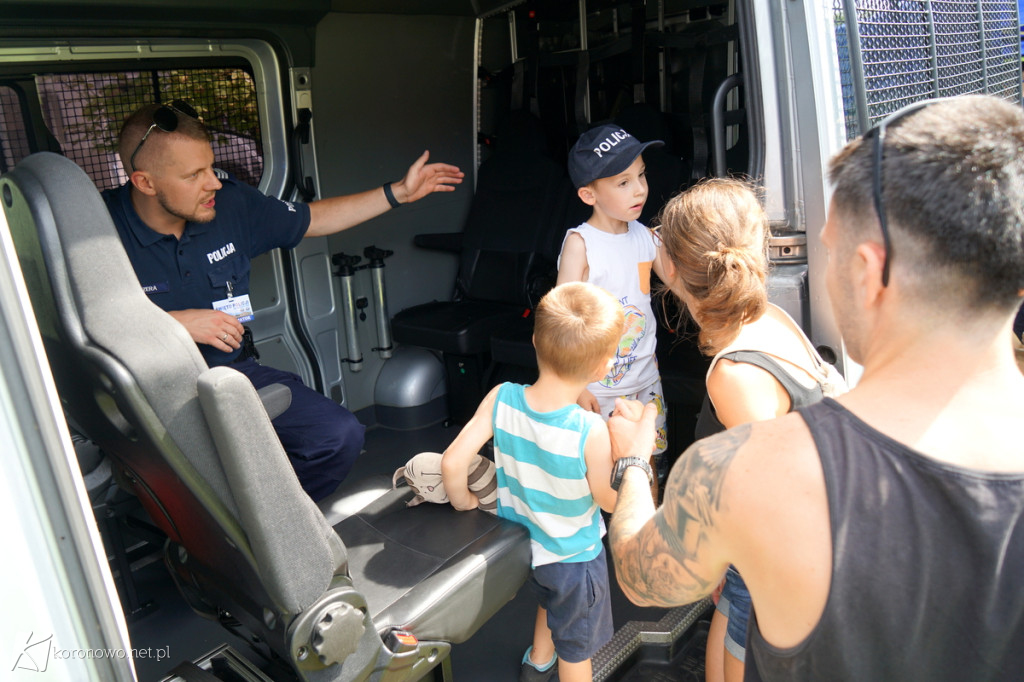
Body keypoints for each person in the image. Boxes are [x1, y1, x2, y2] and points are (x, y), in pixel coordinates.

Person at [606, 94, 1024, 681]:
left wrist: (629, 461)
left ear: (868, 270)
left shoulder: (746, 471)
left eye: (827, 250)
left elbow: (640, 576)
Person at [103, 101, 464, 501]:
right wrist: (174, 324)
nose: (214, 183)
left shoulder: (231, 205)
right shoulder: (98, 233)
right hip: (149, 393)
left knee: (337, 436)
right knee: (190, 475)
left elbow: (313, 219)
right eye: (194, 175)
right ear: (145, 182)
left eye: (211, 167)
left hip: (232, 375)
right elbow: (77, 327)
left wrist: (398, 193)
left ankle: (264, 533)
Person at [652, 177, 844, 682]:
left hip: (771, 557)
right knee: (725, 618)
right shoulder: (767, 316)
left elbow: (770, 501)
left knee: (739, 640)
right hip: (756, 552)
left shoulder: (736, 375)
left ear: (671, 266)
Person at [441, 281, 630, 682]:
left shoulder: (502, 398)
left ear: (534, 341)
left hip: (527, 547)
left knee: (549, 600)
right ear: (602, 368)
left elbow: (453, 462)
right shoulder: (590, 430)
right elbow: (611, 503)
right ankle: (558, 667)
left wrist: (465, 503)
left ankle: (538, 662)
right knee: (578, 647)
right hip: (574, 557)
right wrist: (631, 458)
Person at [557, 123, 670, 493]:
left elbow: (676, 280)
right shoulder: (582, 244)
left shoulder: (645, 235)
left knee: (647, 466)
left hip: (645, 381)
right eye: (623, 182)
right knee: (605, 474)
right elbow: (562, 323)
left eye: (641, 175)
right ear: (589, 195)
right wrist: (574, 385)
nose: (639, 189)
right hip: (598, 389)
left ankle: (646, 535)